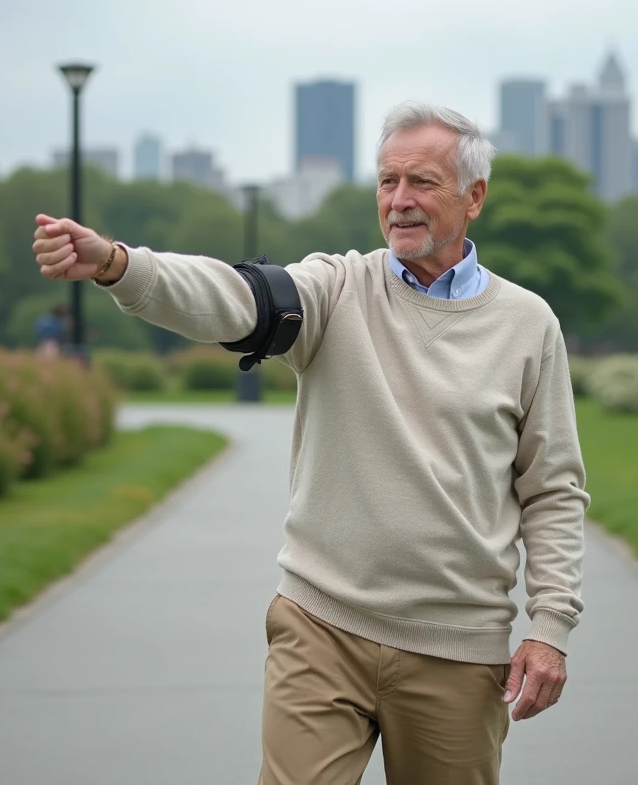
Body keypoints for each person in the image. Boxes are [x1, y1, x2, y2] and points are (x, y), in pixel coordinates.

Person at [30, 101, 589, 785]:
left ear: (474, 197)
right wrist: (120, 265)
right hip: (321, 626)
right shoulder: (337, 288)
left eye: (422, 182)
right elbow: (237, 299)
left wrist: (550, 626)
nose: (399, 201)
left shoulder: (529, 325)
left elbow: (553, 489)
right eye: (388, 182)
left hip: (456, 645)